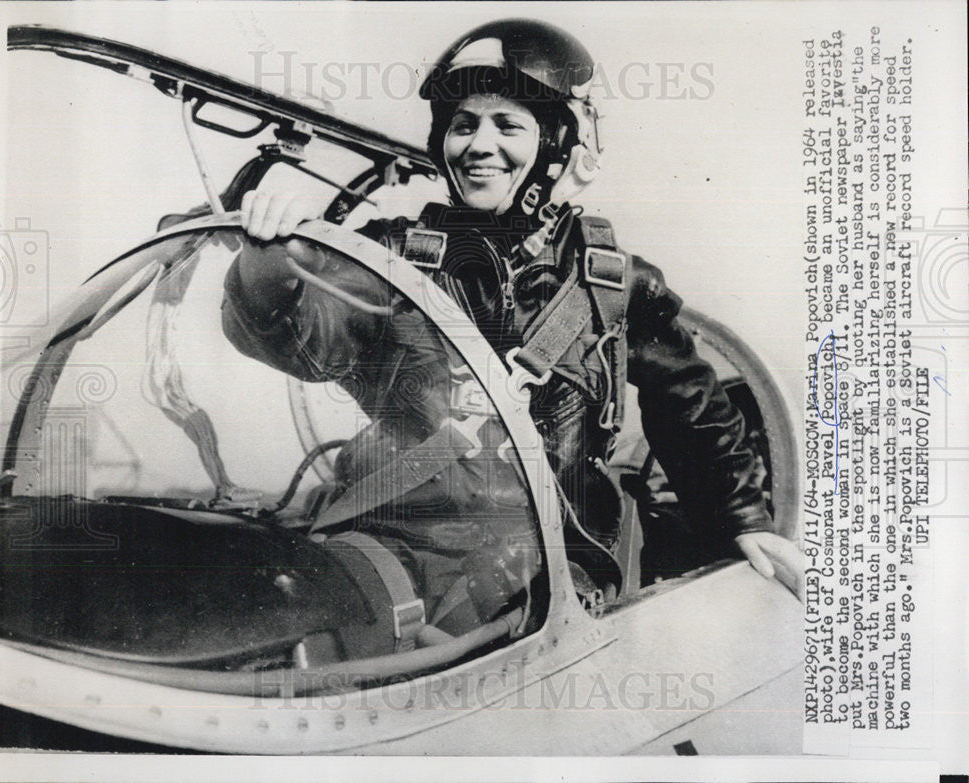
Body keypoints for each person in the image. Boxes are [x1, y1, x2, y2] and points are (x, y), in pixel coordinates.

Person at [223, 19, 803, 624]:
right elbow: (296, 342)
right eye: (464, 124)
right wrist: (268, 265)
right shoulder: (391, 256)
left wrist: (743, 524)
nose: (478, 145)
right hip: (403, 546)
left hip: (557, 564)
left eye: (508, 125)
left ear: (554, 143)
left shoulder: (610, 282)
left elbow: (691, 406)